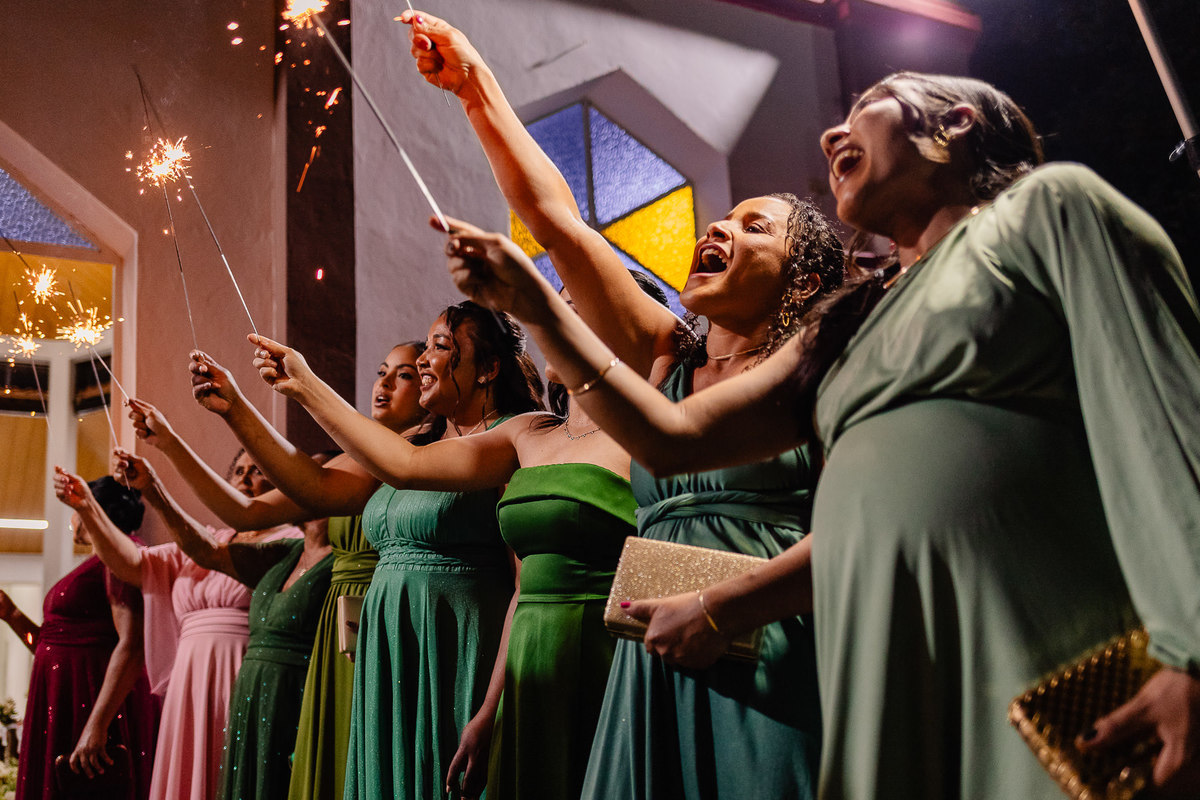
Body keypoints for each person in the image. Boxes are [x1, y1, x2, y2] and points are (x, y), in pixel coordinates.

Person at [442, 72, 1200, 799]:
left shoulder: (1049, 210)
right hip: (887, 652)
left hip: (1027, 620)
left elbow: (1166, 416)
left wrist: (1193, 648)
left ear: (957, 123)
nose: (834, 127)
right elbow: (672, 437)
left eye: (870, 104)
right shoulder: (851, 327)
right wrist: (537, 307)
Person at [402, 11, 845, 799]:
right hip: (653, 653)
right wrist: (475, 87)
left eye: (755, 227)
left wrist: (723, 610)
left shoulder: (821, 374)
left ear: (803, 282)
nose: (719, 225)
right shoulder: (665, 354)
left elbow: (860, 529)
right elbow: (560, 225)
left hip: (768, 643)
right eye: (723, 216)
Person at [249, 272, 667, 800]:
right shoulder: (530, 432)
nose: (555, 324)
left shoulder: (657, 434)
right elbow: (402, 463)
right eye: (556, 309)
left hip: (608, 650)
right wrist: (304, 384)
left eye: (577, 309)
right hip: (530, 657)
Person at [246, 301, 545, 800]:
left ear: (489, 369)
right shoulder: (416, 439)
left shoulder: (511, 440)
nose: (426, 359)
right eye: (426, 346)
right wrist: (238, 406)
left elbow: (524, 584)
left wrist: (490, 709)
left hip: (457, 644)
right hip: (389, 646)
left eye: (441, 347)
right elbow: (315, 486)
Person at [136, 340, 429, 800]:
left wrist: (281, 392)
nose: (384, 382)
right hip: (341, 627)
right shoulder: (356, 459)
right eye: (381, 370)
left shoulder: (422, 452)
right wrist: (187, 434)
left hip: (390, 610)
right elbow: (247, 511)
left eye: (405, 374)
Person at [53, 445, 298, 800]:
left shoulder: (289, 542)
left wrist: (153, 486)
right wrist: (87, 507)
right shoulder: (209, 538)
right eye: (238, 470)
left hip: (241, 671)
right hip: (190, 680)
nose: (245, 477)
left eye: (257, 470)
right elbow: (132, 564)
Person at [2, 477, 155, 800]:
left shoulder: (118, 559)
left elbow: (132, 643)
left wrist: (96, 724)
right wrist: (13, 615)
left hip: (89, 697)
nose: (71, 519)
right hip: (62, 695)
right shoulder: (96, 563)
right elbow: (52, 644)